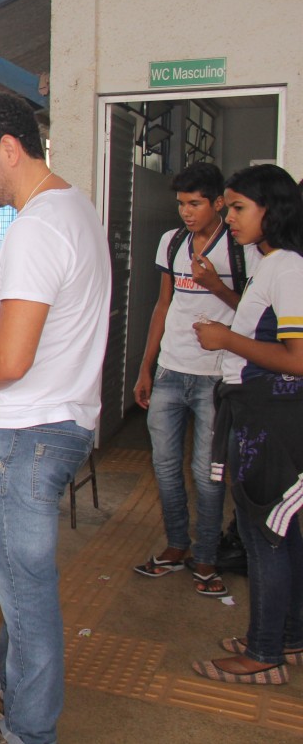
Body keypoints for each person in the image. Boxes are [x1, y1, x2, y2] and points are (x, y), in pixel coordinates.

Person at [0, 91, 110, 744]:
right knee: (22, 581)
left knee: (25, 590)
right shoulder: (74, 209)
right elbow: (32, 335)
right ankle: (15, 689)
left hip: (27, 433)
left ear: (7, 147)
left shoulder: (36, 227)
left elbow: (12, 361)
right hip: (59, 421)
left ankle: (28, 732)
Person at [190, 164, 303, 686]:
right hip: (260, 413)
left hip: (268, 421)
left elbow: (297, 357)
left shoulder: (289, 268)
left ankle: (264, 653)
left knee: (265, 539)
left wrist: (225, 340)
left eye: (237, 208)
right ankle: (288, 636)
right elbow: (265, 326)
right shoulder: (273, 264)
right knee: (286, 536)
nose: (227, 216)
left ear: (270, 209)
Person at [133, 162, 256, 596]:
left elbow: (254, 314)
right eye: (182, 204)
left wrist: (215, 285)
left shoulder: (242, 248)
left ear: (218, 203)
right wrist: (146, 367)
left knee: (207, 473)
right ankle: (176, 546)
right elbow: (163, 307)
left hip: (216, 377)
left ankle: (206, 555)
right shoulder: (172, 243)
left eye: (195, 204)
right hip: (170, 370)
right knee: (165, 467)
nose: (186, 212)